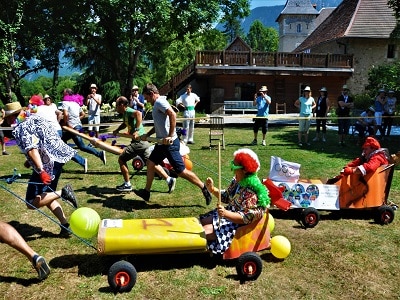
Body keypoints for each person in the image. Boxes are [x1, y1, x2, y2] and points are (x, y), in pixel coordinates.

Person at [4, 102, 78, 237]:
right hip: (58, 158)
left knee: (31, 202)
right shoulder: (34, 118)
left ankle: (64, 192)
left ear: (12, 117)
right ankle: (64, 224)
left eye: (7, 118)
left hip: (47, 164)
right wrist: (29, 160)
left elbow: (32, 148)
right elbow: (40, 141)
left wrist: (41, 169)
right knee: (47, 195)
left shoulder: (21, 127)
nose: (7, 121)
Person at [134, 83, 211, 205]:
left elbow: (173, 114)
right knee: (150, 163)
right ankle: (146, 192)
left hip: (169, 144)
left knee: (181, 171)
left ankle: (203, 188)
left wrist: (170, 135)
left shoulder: (159, 102)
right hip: (161, 144)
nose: (147, 101)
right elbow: (159, 125)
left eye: (147, 98)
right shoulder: (158, 104)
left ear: (152, 94)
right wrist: (147, 135)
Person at [199, 148, 270, 254]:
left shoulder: (252, 193)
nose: (232, 169)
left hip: (236, 225)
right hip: (226, 215)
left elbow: (245, 218)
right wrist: (213, 189)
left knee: (204, 231)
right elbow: (227, 197)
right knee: (200, 222)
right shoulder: (237, 181)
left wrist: (226, 213)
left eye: (235, 167)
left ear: (245, 170)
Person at [112, 96, 176, 193]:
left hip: (138, 142)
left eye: (117, 105)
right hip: (143, 143)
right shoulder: (125, 113)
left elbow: (139, 114)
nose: (116, 108)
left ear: (121, 105)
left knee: (121, 159)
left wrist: (137, 131)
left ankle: (127, 184)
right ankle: (169, 179)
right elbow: (125, 124)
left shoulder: (129, 110)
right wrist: (117, 130)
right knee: (151, 163)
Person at [37, 94, 88, 173]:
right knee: (58, 149)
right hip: (55, 131)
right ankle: (52, 167)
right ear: (43, 101)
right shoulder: (48, 107)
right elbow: (60, 113)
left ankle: (82, 161)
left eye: (48, 98)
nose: (47, 100)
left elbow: (60, 114)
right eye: (46, 99)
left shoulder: (49, 107)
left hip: (54, 131)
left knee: (58, 150)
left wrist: (56, 123)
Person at [61, 88, 107, 165]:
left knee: (82, 146)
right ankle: (68, 158)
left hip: (72, 128)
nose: (63, 95)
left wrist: (65, 123)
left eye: (64, 93)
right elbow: (83, 114)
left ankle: (97, 154)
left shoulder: (65, 103)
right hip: (78, 126)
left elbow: (65, 114)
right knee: (62, 140)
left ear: (67, 94)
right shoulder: (75, 103)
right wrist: (76, 120)